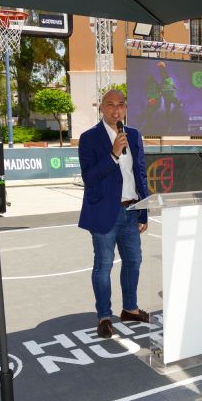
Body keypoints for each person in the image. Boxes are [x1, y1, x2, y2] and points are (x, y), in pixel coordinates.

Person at [78, 89, 150, 339]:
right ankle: (104, 317)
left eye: (120, 104)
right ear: (101, 108)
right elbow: (89, 178)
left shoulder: (134, 135)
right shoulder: (89, 138)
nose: (116, 109)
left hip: (131, 210)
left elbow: (140, 173)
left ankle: (129, 309)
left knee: (134, 261)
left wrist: (144, 210)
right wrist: (113, 154)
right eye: (110, 105)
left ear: (126, 108)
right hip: (104, 213)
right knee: (104, 265)